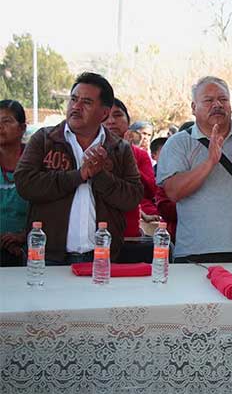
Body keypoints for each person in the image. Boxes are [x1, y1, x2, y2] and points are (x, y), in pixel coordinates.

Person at [15, 72, 143, 264]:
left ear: (104, 113)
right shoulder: (44, 139)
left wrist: (100, 175)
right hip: (48, 257)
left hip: (101, 257)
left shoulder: (119, 148)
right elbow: (25, 184)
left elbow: (132, 198)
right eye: (73, 100)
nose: (76, 107)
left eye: (87, 102)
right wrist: (79, 175)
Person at [156, 76, 232, 263]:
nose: (217, 104)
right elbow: (173, 192)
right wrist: (209, 162)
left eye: (223, 99)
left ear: (231, 106)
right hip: (193, 252)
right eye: (209, 100)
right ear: (194, 108)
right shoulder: (178, 143)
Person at [103, 98, 159, 238]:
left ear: (128, 121)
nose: (111, 121)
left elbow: (150, 190)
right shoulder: (90, 152)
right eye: (106, 116)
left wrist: (129, 158)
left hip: (129, 227)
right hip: (99, 230)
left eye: (117, 115)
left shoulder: (140, 155)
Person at [0, 100, 29, 266]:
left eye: (6, 121)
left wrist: (23, 236)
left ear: (22, 128)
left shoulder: (37, 162)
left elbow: (48, 207)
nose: (0, 127)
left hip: (29, 250)